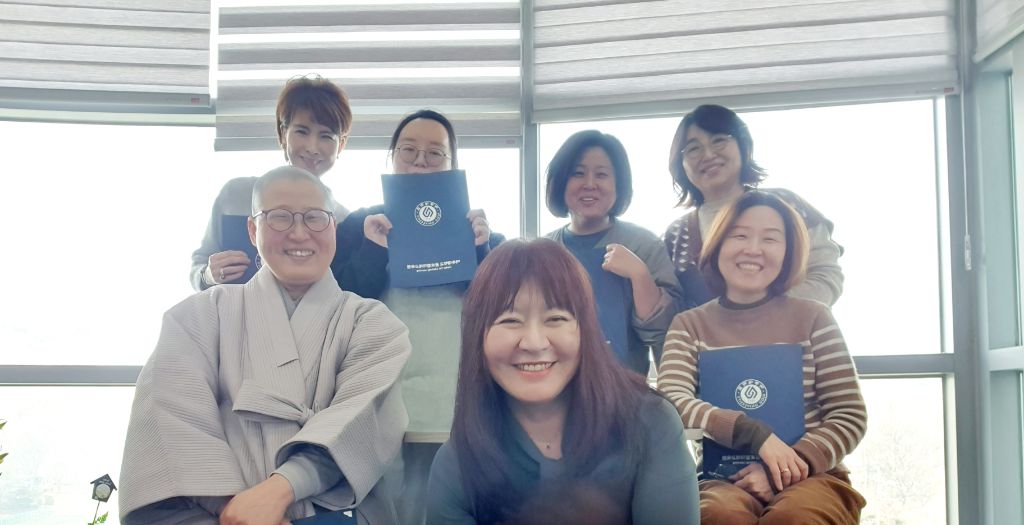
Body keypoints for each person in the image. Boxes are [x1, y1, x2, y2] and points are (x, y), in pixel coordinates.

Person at [121, 166, 411, 525]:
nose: (299, 232)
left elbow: (365, 420)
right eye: (280, 217)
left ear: (333, 227)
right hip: (215, 516)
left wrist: (280, 490)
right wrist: (236, 508)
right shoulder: (197, 316)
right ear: (253, 229)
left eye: (315, 217)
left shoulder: (373, 322)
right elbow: (172, 419)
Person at [426, 238, 700, 524]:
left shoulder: (649, 423)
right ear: (478, 336)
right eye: (510, 320)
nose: (534, 342)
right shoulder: (458, 464)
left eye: (556, 318)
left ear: (586, 331)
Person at [330, 109, 504, 524]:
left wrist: (480, 252)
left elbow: (503, 312)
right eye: (408, 151)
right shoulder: (358, 225)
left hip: (453, 402)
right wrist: (373, 251)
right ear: (391, 158)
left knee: (445, 503)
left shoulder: (479, 231)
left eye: (435, 153)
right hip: (377, 397)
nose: (421, 162)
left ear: (453, 163)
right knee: (383, 506)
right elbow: (335, 305)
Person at [657, 191, 867, 524]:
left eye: (770, 239)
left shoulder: (814, 317)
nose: (753, 249)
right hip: (721, 479)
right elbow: (671, 401)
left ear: (788, 253)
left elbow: (849, 415)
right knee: (720, 516)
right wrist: (750, 432)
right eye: (739, 235)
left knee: (796, 517)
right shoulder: (689, 325)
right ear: (717, 245)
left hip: (814, 474)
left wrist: (786, 467)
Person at [664, 104, 844, 310]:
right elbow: (675, 307)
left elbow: (824, 275)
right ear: (680, 164)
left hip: (799, 330)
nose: (708, 154)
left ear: (743, 146)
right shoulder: (676, 235)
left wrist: (759, 318)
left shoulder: (787, 204)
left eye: (719, 140)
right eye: (694, 149)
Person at [191, 74, 352, 291]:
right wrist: (208, 275)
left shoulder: (343, 220)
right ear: (283, 133)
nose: (312, 147)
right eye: (302, 132)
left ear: (341, 144)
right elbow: (199, 266)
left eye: (326, 136)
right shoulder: (236, 195)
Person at [544, 130, 682, 374]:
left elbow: (665, 334)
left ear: (619, 184)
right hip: (556, 385)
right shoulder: (545, 250)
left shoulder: (643, 244)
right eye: (577, 173)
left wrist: (640, 276)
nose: (590, 184)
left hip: (624, 388)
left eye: (602, 174)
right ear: (560, 182)